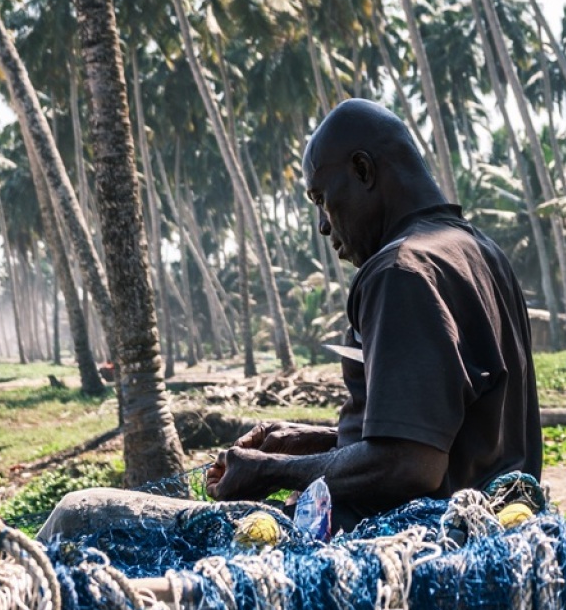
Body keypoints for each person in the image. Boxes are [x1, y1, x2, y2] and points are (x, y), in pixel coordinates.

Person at [208, 99, 541, 523]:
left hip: (414, 550)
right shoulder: (480, 253)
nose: (324, 226)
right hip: (494, 528)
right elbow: (447, 439)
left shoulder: (400, 270)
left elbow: (410, 463)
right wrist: (305, 440)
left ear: (363, 170)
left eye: (321, 198)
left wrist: (270, 473)